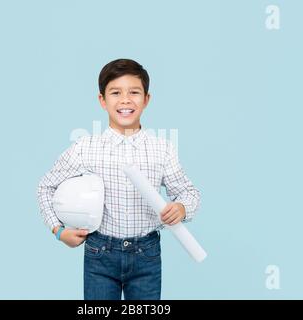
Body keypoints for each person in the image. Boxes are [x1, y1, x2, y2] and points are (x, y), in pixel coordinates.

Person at [37, 58, 200, 300]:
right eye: (115, 93)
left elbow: (189, 192)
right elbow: (45, 187)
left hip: (146, 254)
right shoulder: (85, 148)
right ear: (102, 100)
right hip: (100, 252)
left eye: (134, 92)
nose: (125, 100)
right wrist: (59, 231)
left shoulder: (162, 149)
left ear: (146, 99)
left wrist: (181, 208)